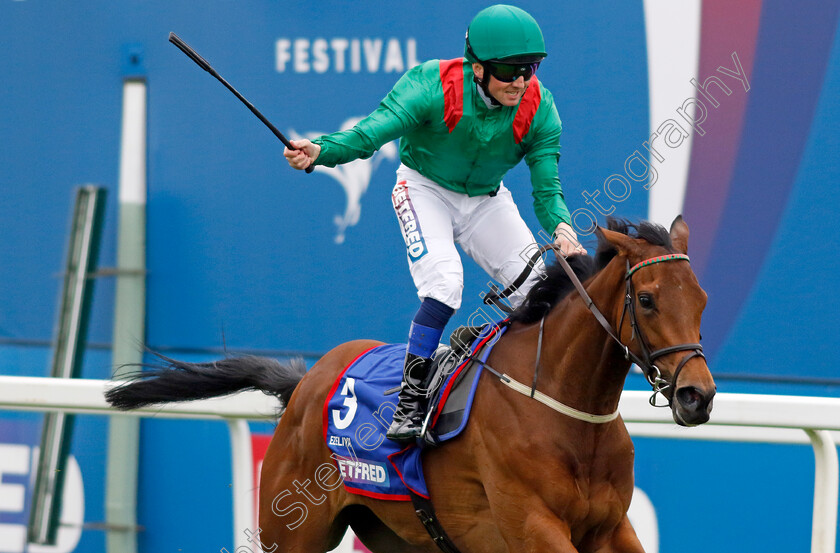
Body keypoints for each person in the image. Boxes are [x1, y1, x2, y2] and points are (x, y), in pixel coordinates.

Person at [284, 4, 586, 443]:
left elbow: (546, 188)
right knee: (445, 285)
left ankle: (487, 360)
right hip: (423, 189)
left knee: (539, 291)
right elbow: (372, 133)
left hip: (486, 199)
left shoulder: (540, 107)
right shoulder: (432, 85)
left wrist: (562, 229)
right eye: (508, 70)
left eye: (530, 68)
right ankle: (410, 399)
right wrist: (320, 151)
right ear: (477, 67)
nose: (520, 81)